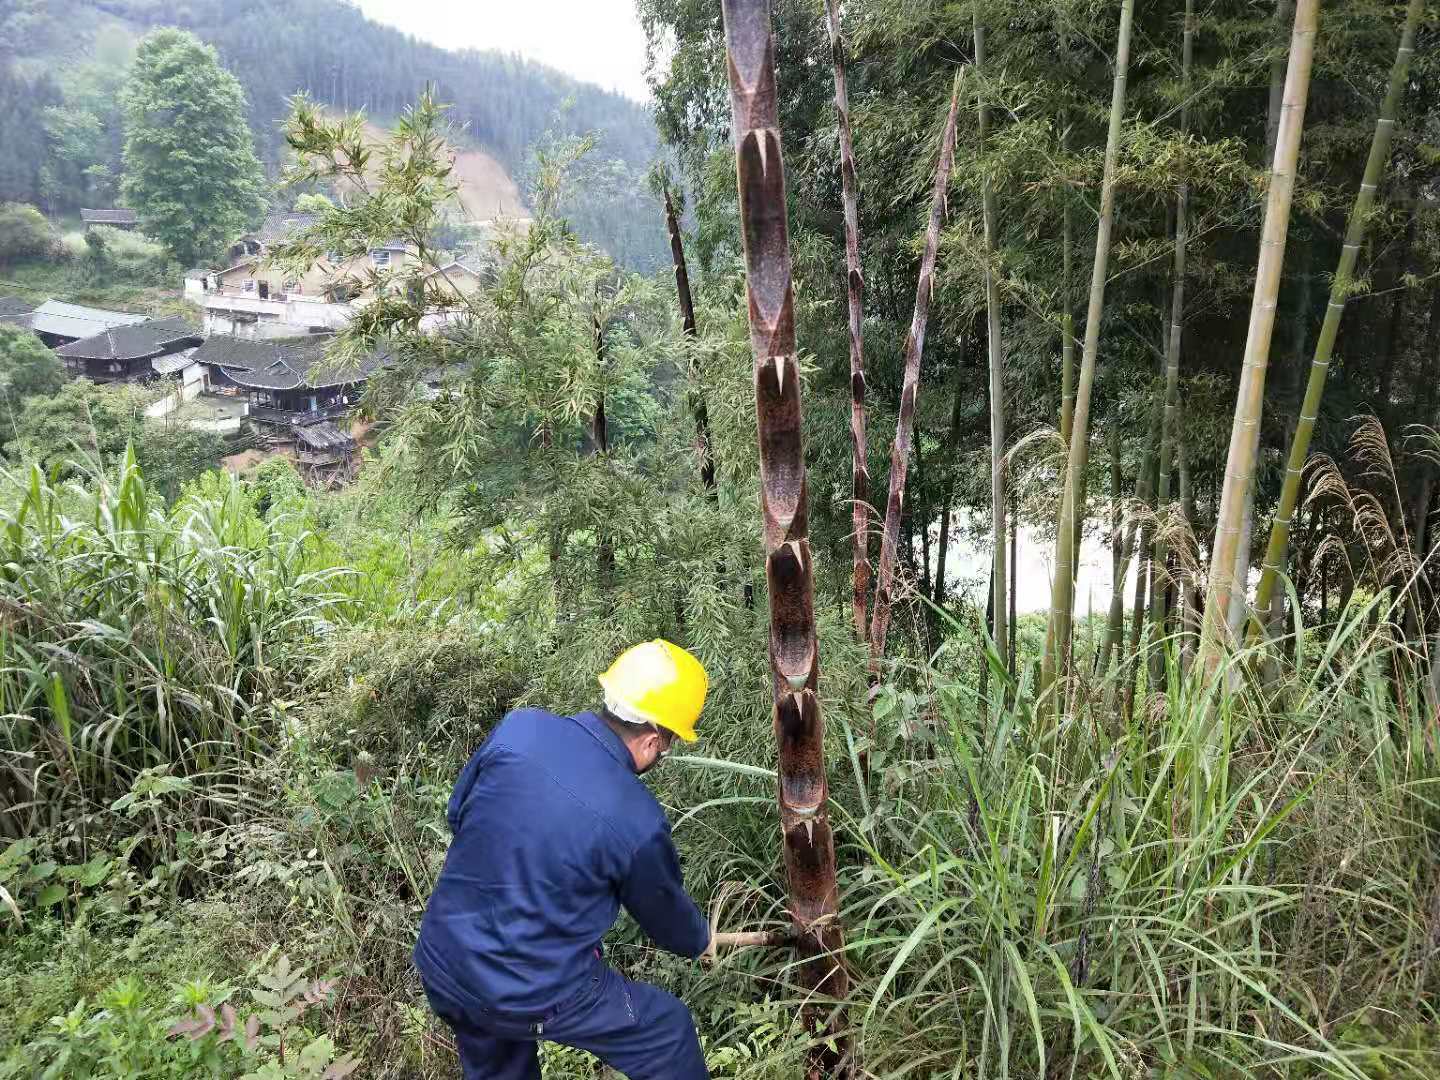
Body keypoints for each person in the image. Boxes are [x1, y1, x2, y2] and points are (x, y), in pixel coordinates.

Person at [414, 640, 715, 1080]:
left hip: (446, 962)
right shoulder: (636, 818)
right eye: (667, 746)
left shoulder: (520, 729)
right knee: (668, 1033)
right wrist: (697, 939)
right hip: (525, 988)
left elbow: (458, 814)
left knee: (500, 1056)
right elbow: (665, 918)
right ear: (653, 741)